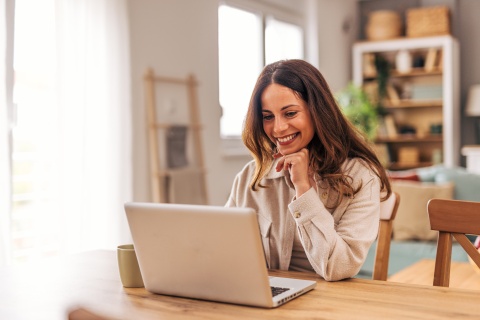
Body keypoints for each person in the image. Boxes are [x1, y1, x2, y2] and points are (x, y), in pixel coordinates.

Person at [225, 59, 391, 281]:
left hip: (330, 304)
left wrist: (303, 189)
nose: (278, 128)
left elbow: (338, 267)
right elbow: (222, 248)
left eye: (290, 113)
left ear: (317, 111)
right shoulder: (251, 176)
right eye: (268, 117)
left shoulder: (360, 176)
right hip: (267, 299)